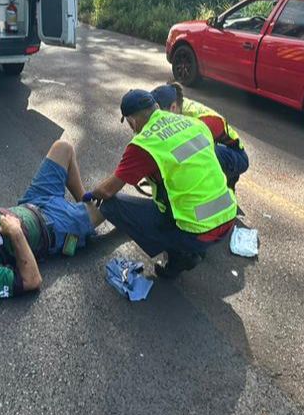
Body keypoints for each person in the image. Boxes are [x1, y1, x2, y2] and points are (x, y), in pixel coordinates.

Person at [88, 90, 238, 279]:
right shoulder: (194, 123)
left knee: (112, 205)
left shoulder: (144, 143)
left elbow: (107, 190)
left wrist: (91, 194)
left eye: (129, 124)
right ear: (157, 107)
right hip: (227, 214)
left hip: (196, 231)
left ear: (132, 122)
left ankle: (180, 254)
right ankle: (193, 247)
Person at [0, 140, 104, 299]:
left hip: (33, 201)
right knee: (110, 201)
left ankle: (85, 205)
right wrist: (15, 232)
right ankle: (87, 218)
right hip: (53, 227)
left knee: (63, 148)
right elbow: (32, 280)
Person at [151, 82, 249, 189]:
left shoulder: (205, 120)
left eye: (159, 115)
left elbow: (183, 153)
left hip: (234, 155)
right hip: (212, 148)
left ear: (173, 107)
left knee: (190, 155)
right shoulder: (176, 108)